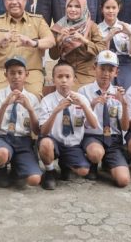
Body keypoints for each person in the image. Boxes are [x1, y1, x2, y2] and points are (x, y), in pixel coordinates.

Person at [0, 0, 55, 98]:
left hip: (30, 71)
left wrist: (34, 43)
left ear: (25, 1)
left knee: (34, 97)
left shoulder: (38, 20)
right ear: (5, 2)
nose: (14, 2)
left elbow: (51, 41)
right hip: (1, 72)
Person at [37, 61, 98, 190]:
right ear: (53, 79)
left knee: (83, 171)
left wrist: (83, 106)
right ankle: (49, 171)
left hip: (72, 145)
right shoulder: (47, 101)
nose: (63, 80)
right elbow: (43, 131)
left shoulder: (81, 98)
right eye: (59, 77)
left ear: (74, 79)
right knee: (45, 144)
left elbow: (93, 125)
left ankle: (65, 164)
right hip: (54, 142)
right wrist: (56, 110)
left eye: (67, 76)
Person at [0, 56, 42, 189]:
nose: (16, 76)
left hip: (23, 141)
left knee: (34, 180)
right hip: (2, 138)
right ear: (6, 75)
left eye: (19, 72)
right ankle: (1, 167)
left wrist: (29, 108)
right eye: (12, 73)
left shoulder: (32, 99)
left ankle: (17, 166)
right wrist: (5, 105)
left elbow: (36, 131)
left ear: (26, 74)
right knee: (1, 154)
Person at [79, 51, 131, 188]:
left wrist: (124, 104)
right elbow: (78, 122)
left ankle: (109, 162)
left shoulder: (119, 93)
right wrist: (92, 104)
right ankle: (93, 162)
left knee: (123, 180)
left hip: (113, 139)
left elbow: (125, 127)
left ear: (116, 72)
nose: (106, 74)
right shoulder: (84, 91)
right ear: (94, 68)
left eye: (110, 70)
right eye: (102, 68)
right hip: (93, 136)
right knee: (96, 153)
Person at [49, 0, 106, 88]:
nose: (73, 9)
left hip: (86, 71)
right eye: (70, 6)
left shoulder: (91, 26)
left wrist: (83, 40)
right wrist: (59, 40)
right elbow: (53, 56)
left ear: (83, 8)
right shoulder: (59, 27)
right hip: (65, 71)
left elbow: (102, 49)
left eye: (77, 6)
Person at [98, 0, 131, 89]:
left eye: (114, 7)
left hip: (125, 63)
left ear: (118, 8)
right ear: (102, 9)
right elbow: (99, 54)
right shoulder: (97, 29)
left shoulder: (126, 27)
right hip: (105, 64)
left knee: (128, 91)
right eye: (107, 7)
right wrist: (108, 38)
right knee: (107, 92)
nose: (111, 11)